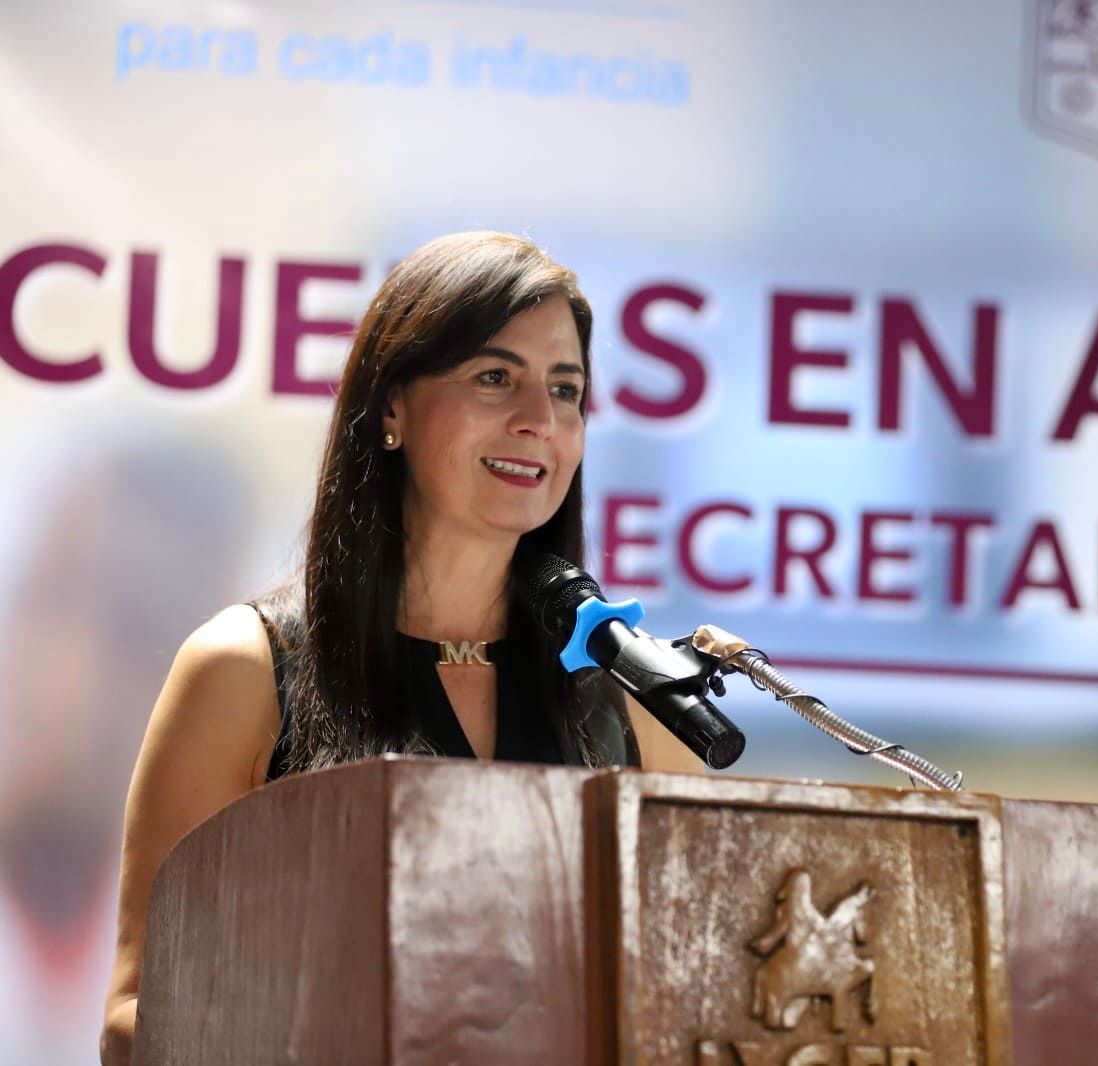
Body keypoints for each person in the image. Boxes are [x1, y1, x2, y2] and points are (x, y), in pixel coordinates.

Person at [98, 232, 702, 1066]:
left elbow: (696, 997)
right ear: (391, 409)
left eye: (566, 390)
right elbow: (134, 1018)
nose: (539, 419)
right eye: (495, 378)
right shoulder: (244, 668)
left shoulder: (626, 694)